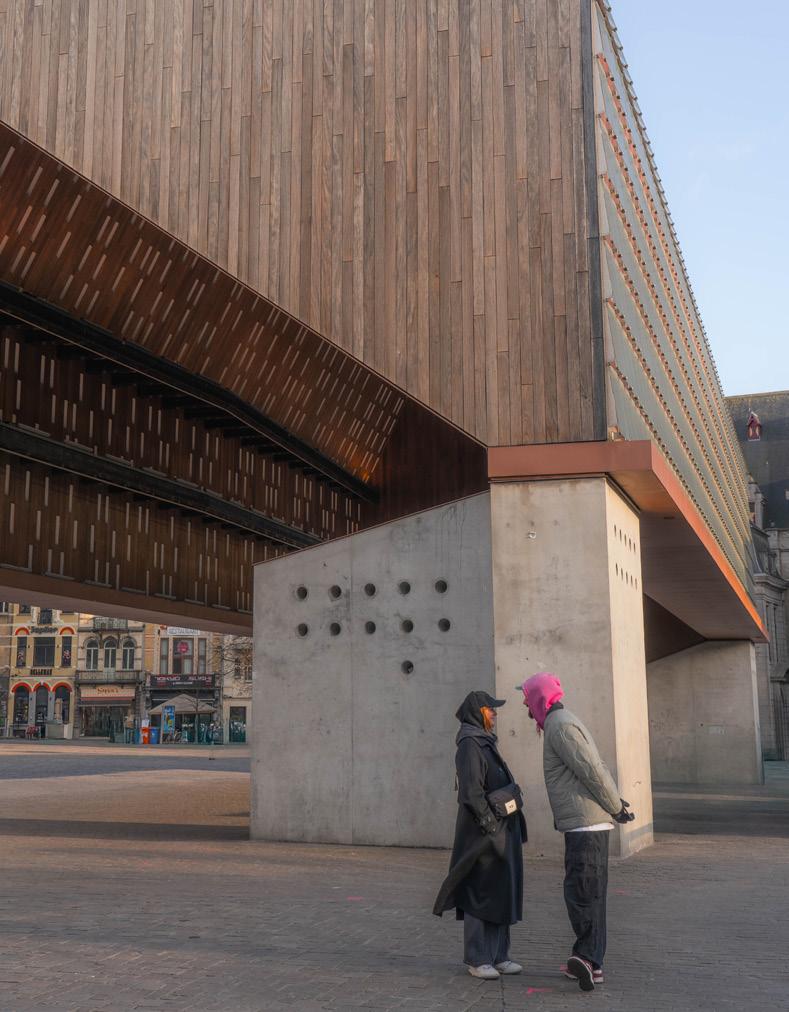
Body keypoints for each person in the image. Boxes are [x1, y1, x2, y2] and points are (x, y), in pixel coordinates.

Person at [515, 673, 634, 992]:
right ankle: (590, 960)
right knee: (588, 891)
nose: (524, 703)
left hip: (587, 824)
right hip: (582, 822)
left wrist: (616, 806)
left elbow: (591, 769)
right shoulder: (558, 723)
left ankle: (588, 958)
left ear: (540, 697)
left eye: (527, 697)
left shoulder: (561, 726)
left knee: (582, 891)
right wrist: (615, 805)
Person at [433, 690, 526, 980]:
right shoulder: (470, 745)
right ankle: (478, 958)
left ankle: (499, 956)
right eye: (490, 709)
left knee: (500, 890)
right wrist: (489, 825)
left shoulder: (484, 741)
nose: (495, 713)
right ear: (477, 712)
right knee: (479, 892)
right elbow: (471, 792)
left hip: (499, 830)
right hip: (482, 834)